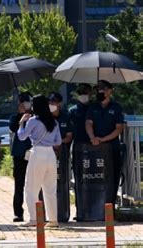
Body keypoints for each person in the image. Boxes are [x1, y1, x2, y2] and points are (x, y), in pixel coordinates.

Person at [17, 95, 62, 228]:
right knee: (50, 189)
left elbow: (21, 136)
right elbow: (58, 142)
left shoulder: (32, 121)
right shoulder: (54, 122)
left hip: (37, 153)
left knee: (31, 188)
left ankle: (34, 219)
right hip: (50, 154)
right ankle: (53, 220)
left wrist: (21, 123)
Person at [85, 80, 124, 205]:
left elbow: (119, 128)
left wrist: (103, 139)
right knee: (96, 176)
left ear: (109, 91)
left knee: (113, 178)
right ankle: (96, 207)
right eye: (98, 89)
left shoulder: (116, 107)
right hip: (95, 148)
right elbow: (88, 123)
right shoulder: (93, 107)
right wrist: (93, 138)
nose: (100, 91)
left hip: (112, 148)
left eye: (102, 89)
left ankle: (110, 206)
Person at [68, 83, 92, 220]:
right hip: (78, 147)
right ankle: (80, 211)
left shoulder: (94, 108)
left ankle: (94, 209)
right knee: (79, 180)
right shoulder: (73, 110)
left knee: (95, 179)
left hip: (95, 148)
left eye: (86, 92)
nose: (84, 94)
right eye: (81, 92)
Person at [9, 92, 33, 222]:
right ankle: (18, 212)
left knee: (34, 184)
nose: (25, 104)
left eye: (27, 101)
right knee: (19, 185)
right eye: (22, 102)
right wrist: (20, 117)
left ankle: (37, 212)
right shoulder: (15, 117)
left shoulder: (35, 117)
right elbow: (13, 128)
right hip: (19, 155)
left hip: (33, 153)